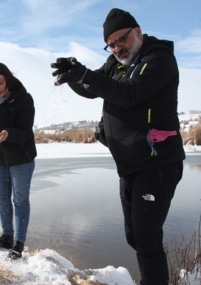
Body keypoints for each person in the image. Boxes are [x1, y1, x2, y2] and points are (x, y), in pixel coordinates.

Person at [50, 8, 185, 285]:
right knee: (134, 236)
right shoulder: (116, 63)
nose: (116, 48)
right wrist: (73, 75)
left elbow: (129, 94)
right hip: (129, 164)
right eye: (111, 44)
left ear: (137, 31)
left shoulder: (158, 59)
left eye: (120, 40)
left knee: (147, 238)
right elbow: (91, 88)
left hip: (157, 162)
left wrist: (84, 74)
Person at [0, 62, 37, 260]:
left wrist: (8, 134)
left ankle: (18, 244)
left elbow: (26, 132)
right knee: (1, 197)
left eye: (0, 82)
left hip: (22, 158)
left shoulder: (24, 99)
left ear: (8, 78)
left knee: (19, 200)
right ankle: (6, 237)